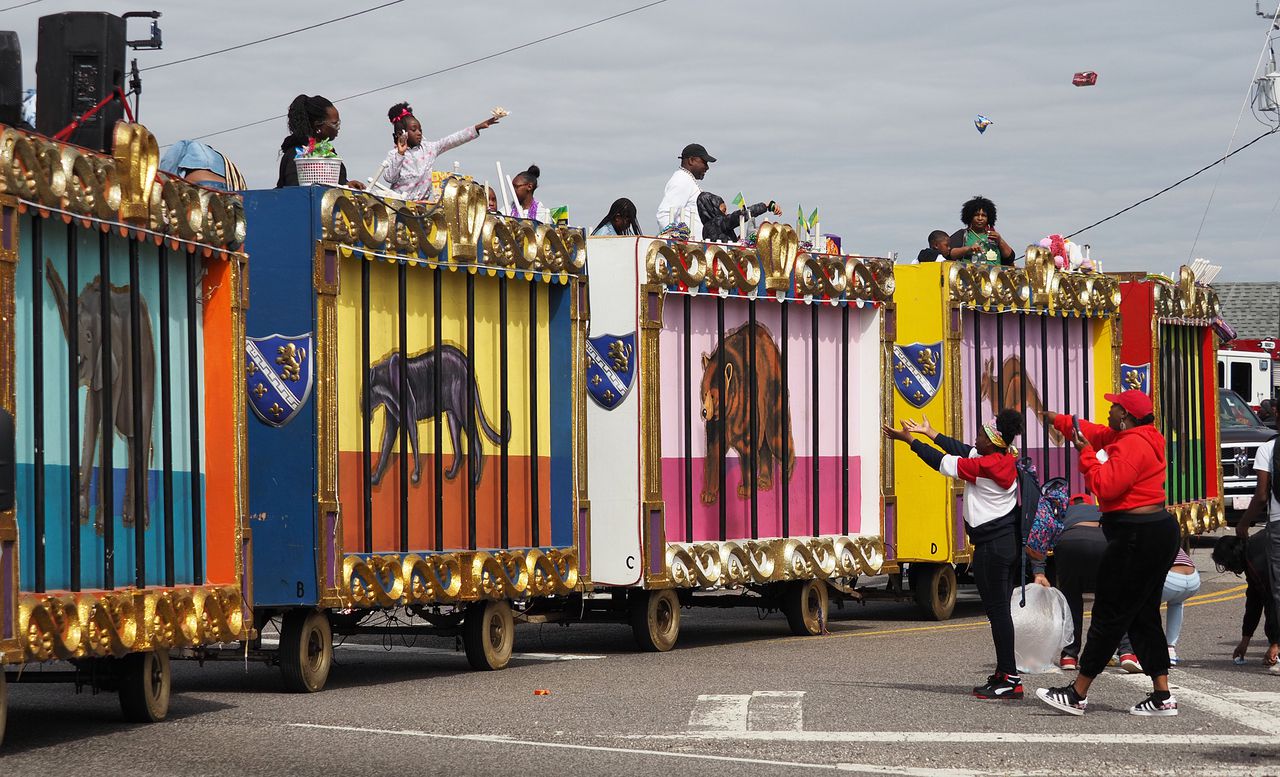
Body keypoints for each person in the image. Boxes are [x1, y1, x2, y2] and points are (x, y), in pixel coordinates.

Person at [1036, 390, 1181, 717]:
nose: (1109, 410)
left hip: (1136, 536)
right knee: (1143, 616)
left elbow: (1105, 485)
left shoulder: (1131, 445)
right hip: (1154, 531)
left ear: (1126, 416)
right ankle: (1162, 696)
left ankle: (1077, 693)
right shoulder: (1139, 434)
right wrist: (1059, 420)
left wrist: (1086, 454)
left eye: (1114, 407)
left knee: (1109, 613)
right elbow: (1095, 432)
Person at [883, 409, 1024, 700]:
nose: (977, 436)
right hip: (1002, 543)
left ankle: (1010, 679)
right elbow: (962, 449)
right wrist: (931, 432)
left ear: (992, 442)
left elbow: (942, 462)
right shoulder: (1001, 457)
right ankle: (1004, 673)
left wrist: (910, 441)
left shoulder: (985, 467)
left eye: (982, 434)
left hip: (993, 547)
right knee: (999, 612)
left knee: (998, 614)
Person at [1031, 494, 1138, 672]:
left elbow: (1041, 539)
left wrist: (1039, 571)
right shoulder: (1099, 509)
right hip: (1102, 541)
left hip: (1069, 544)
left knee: (1071, 601)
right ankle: (1126, 652)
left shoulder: (1063, 512)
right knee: (1114, 600)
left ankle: (1069, 656)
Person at [381, 101, 499, 202]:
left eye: (420, 129)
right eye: (414, 129)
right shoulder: (394, 154)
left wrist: (477, 128)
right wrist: (400, 154)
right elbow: (390, 178)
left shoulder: (429, 149)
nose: (419, 132)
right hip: (399, 207)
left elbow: (452, 140)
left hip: (422, 208)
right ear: (402, 133)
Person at [1238, 431, 1280, 664]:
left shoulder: (1268, 449)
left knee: (1278, 591)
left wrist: (1244, 522)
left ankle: (1277, 645)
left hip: (1278, 523)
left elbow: (1262, 495)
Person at [1212, 533, 1280, 667]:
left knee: (1272, 608)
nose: (1229, 570)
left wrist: (1275, 644)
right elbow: (1254, 602)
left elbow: (1276, 601)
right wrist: (1245, 641)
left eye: (1227, 565)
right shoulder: (1250, 555)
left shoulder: (1257, 561)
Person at [276, 94, 364, 190]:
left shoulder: (329, 152)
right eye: (335, 124)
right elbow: (295, 192)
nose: (338, 128)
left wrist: (347, 184)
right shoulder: (297, 155)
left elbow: (333, 184)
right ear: (318, 126)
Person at [656, 143, 714, 239]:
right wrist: (676, 241)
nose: (707, 167)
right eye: (704, 162)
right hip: (687, 249)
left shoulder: (687, 180)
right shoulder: (682, 179)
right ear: (691, 160)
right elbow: (665, 214)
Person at [1162, 546, 1201, 666]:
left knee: (1144, 606)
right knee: (1176, 603)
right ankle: (1170, 650)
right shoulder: (1168, 534)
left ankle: (1138, 650)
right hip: (1193, 579)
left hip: (1172, 578)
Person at [948, 195, 1014, 265]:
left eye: (984, 215)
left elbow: (1010, 258)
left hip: (995, 274)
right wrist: (968, 249)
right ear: (970, 216)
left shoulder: (994, 236)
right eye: (976, 215)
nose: (980, 218)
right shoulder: (963, 234)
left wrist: (1000, 241)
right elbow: (950, 254)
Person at [159, 140, 246, 191]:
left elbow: (169, 163)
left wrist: (166, 188)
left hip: (198, 187)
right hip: (225, 189)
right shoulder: (221, 158)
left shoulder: (185, 144)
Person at [697, 192, 781, 243]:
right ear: (712, 209)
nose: (726, 214)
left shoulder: (710, 227)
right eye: (723, 211)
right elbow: (738, 216)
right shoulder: (716, 223)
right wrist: (766, 206)